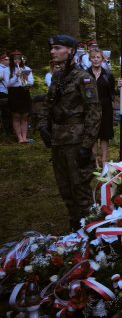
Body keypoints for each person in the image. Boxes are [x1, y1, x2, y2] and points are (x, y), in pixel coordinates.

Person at [38, 34, 101, 230]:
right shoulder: (57, 77)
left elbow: (94, 112)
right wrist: (43, 126)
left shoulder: (84, 78)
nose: (52, 52)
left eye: (57, 48)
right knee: (64, 187)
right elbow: (48, 104)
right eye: (52, 48)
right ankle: (74, 226)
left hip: (76, 140)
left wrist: (87, 145)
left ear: (71, 51)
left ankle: (91, 228)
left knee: (80, 187)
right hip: (58, 139)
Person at [88, 48, 115, 167]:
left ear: (102, 59)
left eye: (98, 57)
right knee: (93, 135)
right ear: (90, 59)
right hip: (90, 109)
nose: (96, 59)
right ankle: (94, 162)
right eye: (93, 57)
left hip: (106, 108)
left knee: (104, 136)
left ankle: (104, 160)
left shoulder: (108, 74)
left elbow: (112, 92)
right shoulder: (85, 74)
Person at [7, 50, 34, 143]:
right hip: (14, 93)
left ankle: (25, 137)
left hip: (24, 92)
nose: (17, 61)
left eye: (19, 59)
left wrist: (26, 78)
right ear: (12, 60)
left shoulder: (27, 68)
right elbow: (8, 84)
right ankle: (19, 138)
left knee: (25, 116)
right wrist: (16, 75)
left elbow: (31, 82)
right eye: (15, 59)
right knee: (16, 116)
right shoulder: (7, 69)